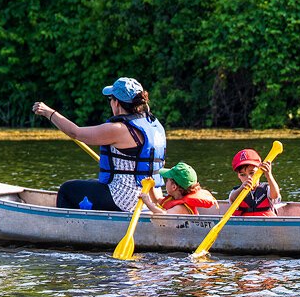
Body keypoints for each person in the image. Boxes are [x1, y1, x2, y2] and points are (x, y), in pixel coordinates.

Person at [31, 77, 165, 212]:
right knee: (90, 183)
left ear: (116, 103)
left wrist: (48, 112)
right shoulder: (153, 125)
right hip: (150, 196)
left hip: (125, 199)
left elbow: (75, 133)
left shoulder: (118, 129)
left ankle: (68, 230)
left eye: (110, 100)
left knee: (67, 189)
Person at [137, 162, 218, 214]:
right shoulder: (173, 199)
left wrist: (147, 202)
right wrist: (151, 188)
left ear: (174, 187)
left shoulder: (180, 208)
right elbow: (157, 201)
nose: (166, 182)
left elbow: (163, 214)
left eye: (168, 180)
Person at [226, 148, 281, 217]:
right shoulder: (236, 191)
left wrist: (269, 175)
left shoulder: (267, 189)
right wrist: (241, 189)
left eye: (252, 173)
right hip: (244, 225)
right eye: (243, 175)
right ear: (238, 176)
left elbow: (275, 195)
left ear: (259, 171)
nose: (248, 178)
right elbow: (232, 199)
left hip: (267, 225)